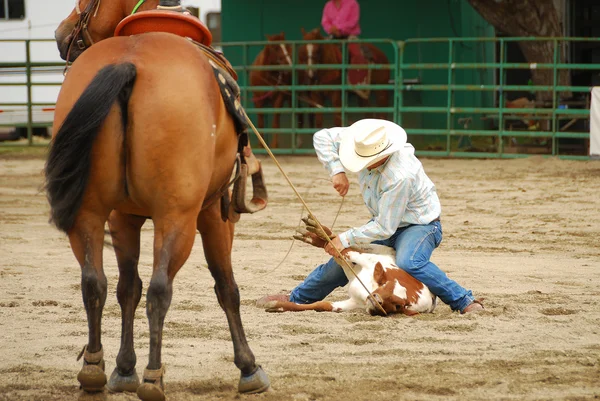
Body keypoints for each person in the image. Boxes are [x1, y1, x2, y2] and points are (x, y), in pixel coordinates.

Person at [257, 119, 484, 314]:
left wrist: (344, 239)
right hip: (386, 222)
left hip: (421, 226)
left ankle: (463, 300)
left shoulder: (399, 176)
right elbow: (323, 137)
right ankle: (297, 297)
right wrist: (336, 170)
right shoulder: (363, 139)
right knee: (341, 262)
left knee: (410, 261)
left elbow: (385, 227)